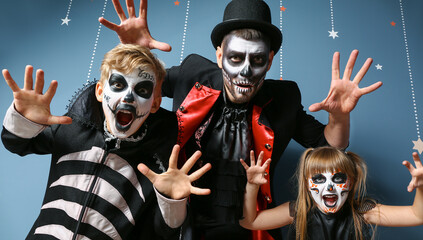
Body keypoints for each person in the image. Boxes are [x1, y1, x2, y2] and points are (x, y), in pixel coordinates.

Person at [99, 0, 383, 239]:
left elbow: (331, 145)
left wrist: (340, 116)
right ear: (220, 56)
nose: (245, 71)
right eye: (235, 58)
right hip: (182, 220)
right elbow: (146, 90)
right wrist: (139, 57)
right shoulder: (192, 73)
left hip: (250, 225)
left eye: (257, 60)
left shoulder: (283, 100)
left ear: (270, 61)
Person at [1, 43, 211, 240]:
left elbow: (165, 231)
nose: (128, 96)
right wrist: (24, 118)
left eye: (142, 90)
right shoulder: (71, 129)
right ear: (100, 92)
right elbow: (17, 143)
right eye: (118, 84)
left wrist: (172, 201)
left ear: (155, 103)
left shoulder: (157, 166)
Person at [240, 147, 423, 240]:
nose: (329, 188)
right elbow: (250, 221)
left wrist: (421, 187)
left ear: (350, 183)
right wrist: (251, 186)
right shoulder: (298, 211)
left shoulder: (362, 211)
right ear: (306, 183)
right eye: (319, 179)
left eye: (338, 179)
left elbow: (416, 216)